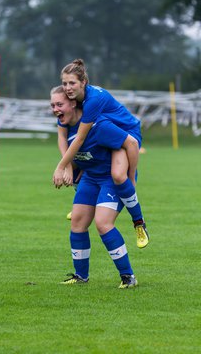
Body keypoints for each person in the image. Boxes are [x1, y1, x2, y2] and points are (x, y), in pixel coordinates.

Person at [53, 58, 149, 249]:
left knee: (119, 176)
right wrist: (69, 166)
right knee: (83, 160)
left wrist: (62, 166)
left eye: (72, 83)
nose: (68, 87)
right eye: (64, 83)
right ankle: (83, 205)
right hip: (109, 133)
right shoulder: (70, 102)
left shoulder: (92, 101)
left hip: (127, 133)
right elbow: (63, 135)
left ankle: (139, 223)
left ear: (83, 83)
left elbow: (79, 138)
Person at [50, 86, 139, 288]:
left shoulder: (99, 126)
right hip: (91, 178)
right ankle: (81, 276)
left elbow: (131, 143)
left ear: (74, 103)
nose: (55, 109)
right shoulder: (65, 125)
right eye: (53, 105)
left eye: (59, 104)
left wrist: (129, 177)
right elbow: (68, 145)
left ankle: (128, 277)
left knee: (103, 223)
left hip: (111, 178)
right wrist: (70, 168)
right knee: (78, 223)